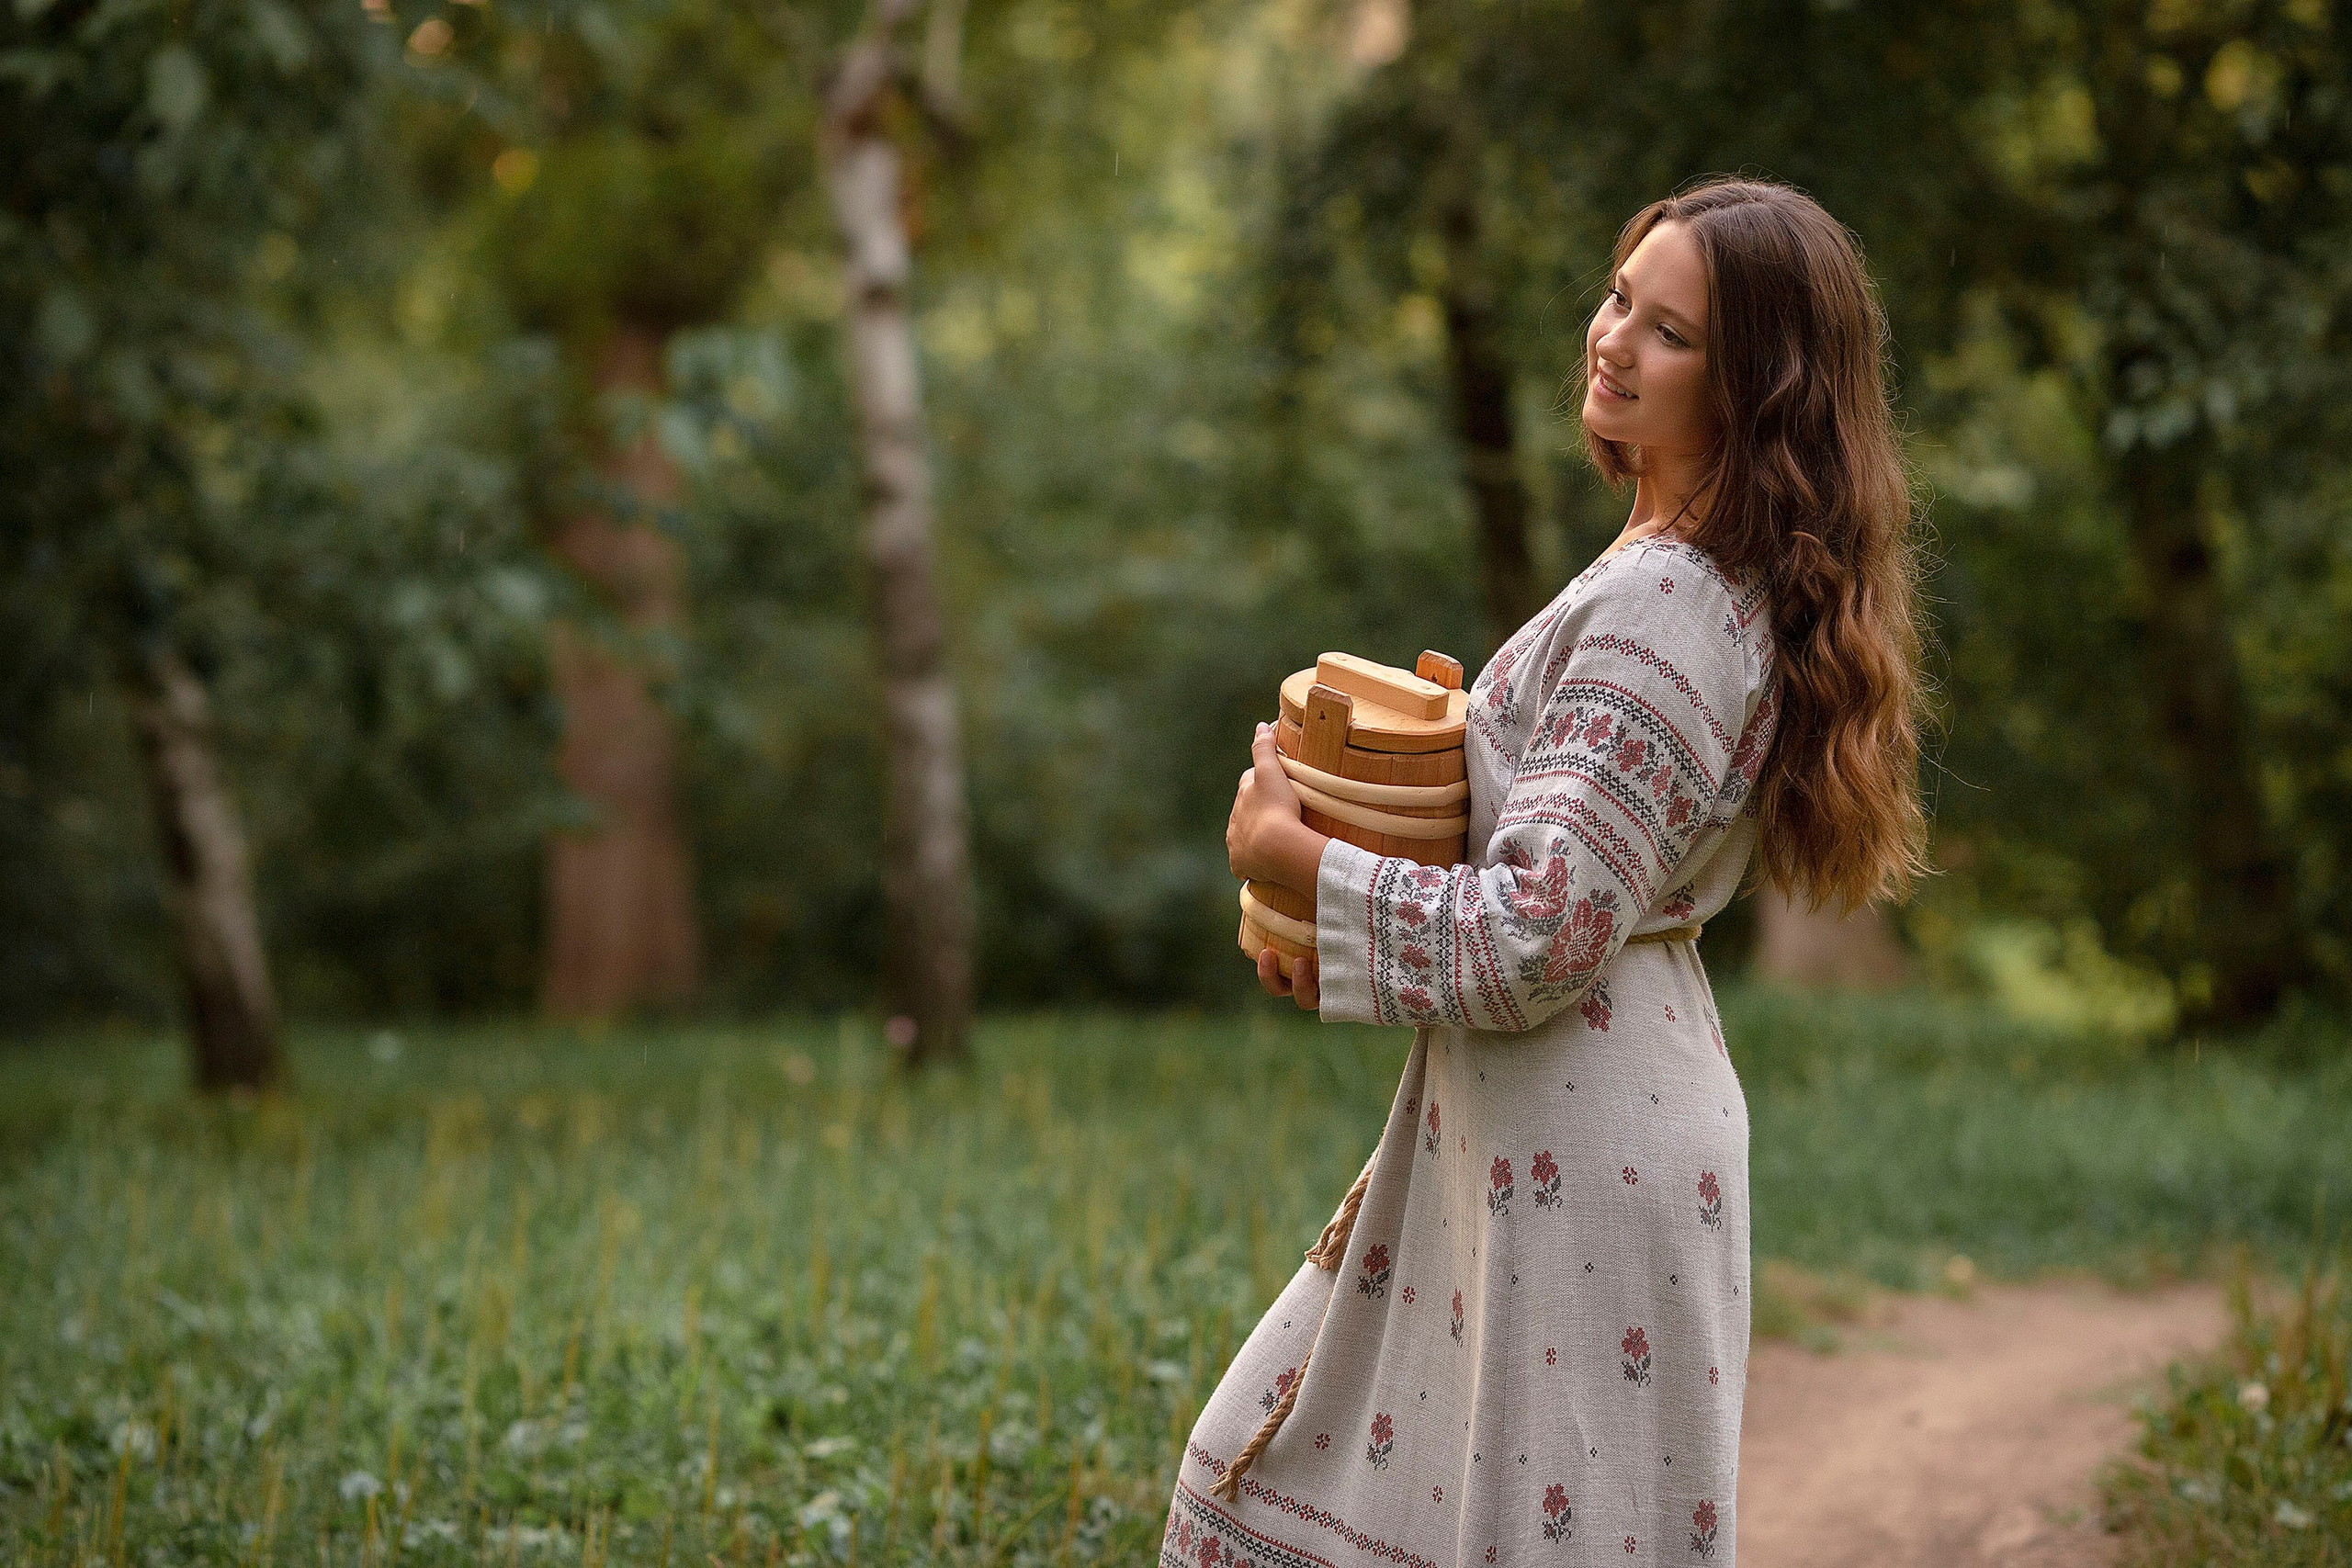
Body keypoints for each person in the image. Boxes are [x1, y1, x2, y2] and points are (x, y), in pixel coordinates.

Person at [1163, 176, 1929, 1566]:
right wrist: (1324, 898)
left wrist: (1292, 856)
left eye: (1674, 333)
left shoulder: (1668, 604)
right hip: (1557, 1123)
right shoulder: (1677, 572)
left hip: (1584, 1143)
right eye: (1620, 296)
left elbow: (1537, 934)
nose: (1615, 340)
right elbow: (1561, 864)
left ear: (1758, 388)